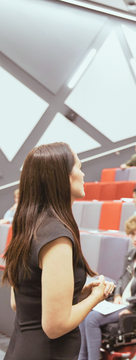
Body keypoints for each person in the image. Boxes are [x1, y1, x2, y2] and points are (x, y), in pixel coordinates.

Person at [1, 142, 114, 360]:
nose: (83, 173)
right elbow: (55, 326)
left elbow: (22, 302)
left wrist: (77, 291)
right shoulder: (57, 236)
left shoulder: (28, 226)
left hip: (21, 349)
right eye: (79, 167)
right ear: (64, 176)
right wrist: (97, 296)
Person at [79, 215, 136, 360]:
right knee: (84, 313)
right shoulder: (131, 254)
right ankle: (82, 357)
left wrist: (131, 306)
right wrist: (117, 295)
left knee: (92, 319)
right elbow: (123, 278)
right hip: (120, 302)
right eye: (133, 235)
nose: (135, 239)